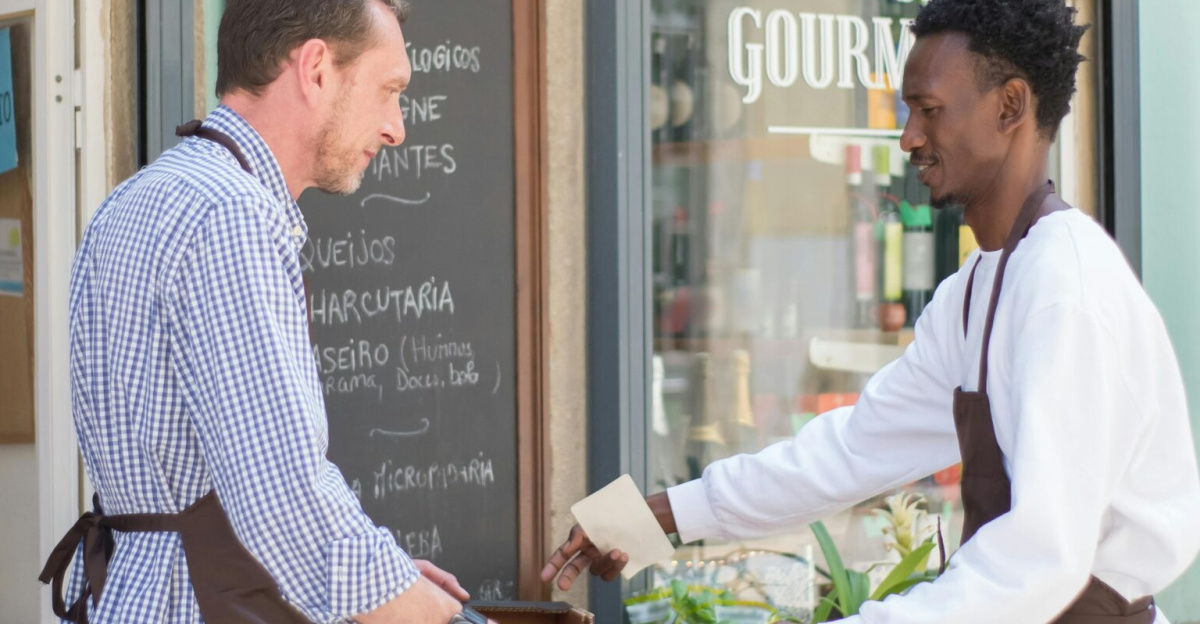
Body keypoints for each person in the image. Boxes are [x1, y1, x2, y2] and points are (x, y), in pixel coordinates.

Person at [543, 1, 1200, 622]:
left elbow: (1040, 562)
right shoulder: (977, 289)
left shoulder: (1066, 290)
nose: (909, 136)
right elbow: (851, 451)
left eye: (929, 109)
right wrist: (659, 514)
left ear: (1010, 106)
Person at [39, 1, 493, 623]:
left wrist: (372, 574)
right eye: (389, 91)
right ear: (315, 69)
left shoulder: (134, 200)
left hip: (132, 596)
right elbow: (281, 493)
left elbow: (223, 490)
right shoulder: (232, 216)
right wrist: (422, 611)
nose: (397, 128)